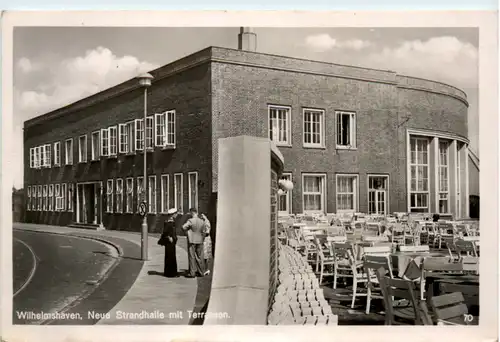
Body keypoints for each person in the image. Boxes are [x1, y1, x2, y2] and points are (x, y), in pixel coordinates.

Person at [182, 208, 206, 278]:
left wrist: (187, 233)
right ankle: (201, 272)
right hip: (200, 240)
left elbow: (183, 227)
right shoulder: (202, 221)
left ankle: (192, 273)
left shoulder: (190, 220)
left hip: (192, 240)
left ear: (192, 213)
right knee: (199, 256)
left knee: (192, 256)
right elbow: (204, 231)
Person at [162, 208, 179, 278]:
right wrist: (169, 237)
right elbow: (165, 232)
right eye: (176, 213)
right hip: (169, 242)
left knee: (171, 256)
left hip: (172, 242)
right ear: (173, 214)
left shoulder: (172, 222)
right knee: (170, 257)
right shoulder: (168, 222)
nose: (177, 215)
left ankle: (171, 272)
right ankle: (170, 273)